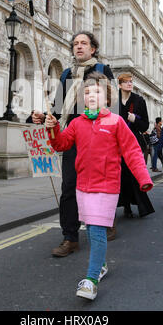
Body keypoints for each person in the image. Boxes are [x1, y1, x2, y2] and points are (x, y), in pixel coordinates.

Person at [45, 72, 153, 300]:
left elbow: (132, 151)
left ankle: (91, 280)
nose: (91, 96)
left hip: (107, 186)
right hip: (83, 185)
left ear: (108, 98)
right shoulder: (76, 123)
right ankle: (101, 264)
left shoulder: (116, 122)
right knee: (92, 228)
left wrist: (144, 177)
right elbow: (61, 144)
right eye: (87, 92)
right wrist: (53, 128)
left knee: (96, 230)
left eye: (96, 92)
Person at [32, 32, 115, 256]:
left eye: (84, 43)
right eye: (76, 43)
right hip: (71, 137)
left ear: (93, 49)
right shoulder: (67, 73)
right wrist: (44, 116)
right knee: (69, 187)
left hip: (96, 137)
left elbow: (111, 104)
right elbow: (59, 107)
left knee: (96, 186)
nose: (79, 47)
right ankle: (70, 237)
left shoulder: (101, 70)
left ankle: (103, 221)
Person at [117, 72, 155, 218]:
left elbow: (145, 125)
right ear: (119, 85)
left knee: (134, 174)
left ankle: (142, 206)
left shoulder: (139, 100)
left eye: (131, 81)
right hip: (118, 143)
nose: (129, 84)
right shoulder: (114, 101)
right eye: (126, 82)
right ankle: (126, 206)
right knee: (121, 175)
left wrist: (134, 120)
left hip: (134, 143)